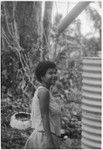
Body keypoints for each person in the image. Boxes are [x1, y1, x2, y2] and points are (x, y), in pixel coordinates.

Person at [25, 61, 61, 149]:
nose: (54, 75)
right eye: (50, 73)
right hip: (44, 138)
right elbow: (44, 116)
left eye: (55, 72)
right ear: (42, 76)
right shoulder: (43, 92)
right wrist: (50, 142)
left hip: (45, 135)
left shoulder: (46, 91)